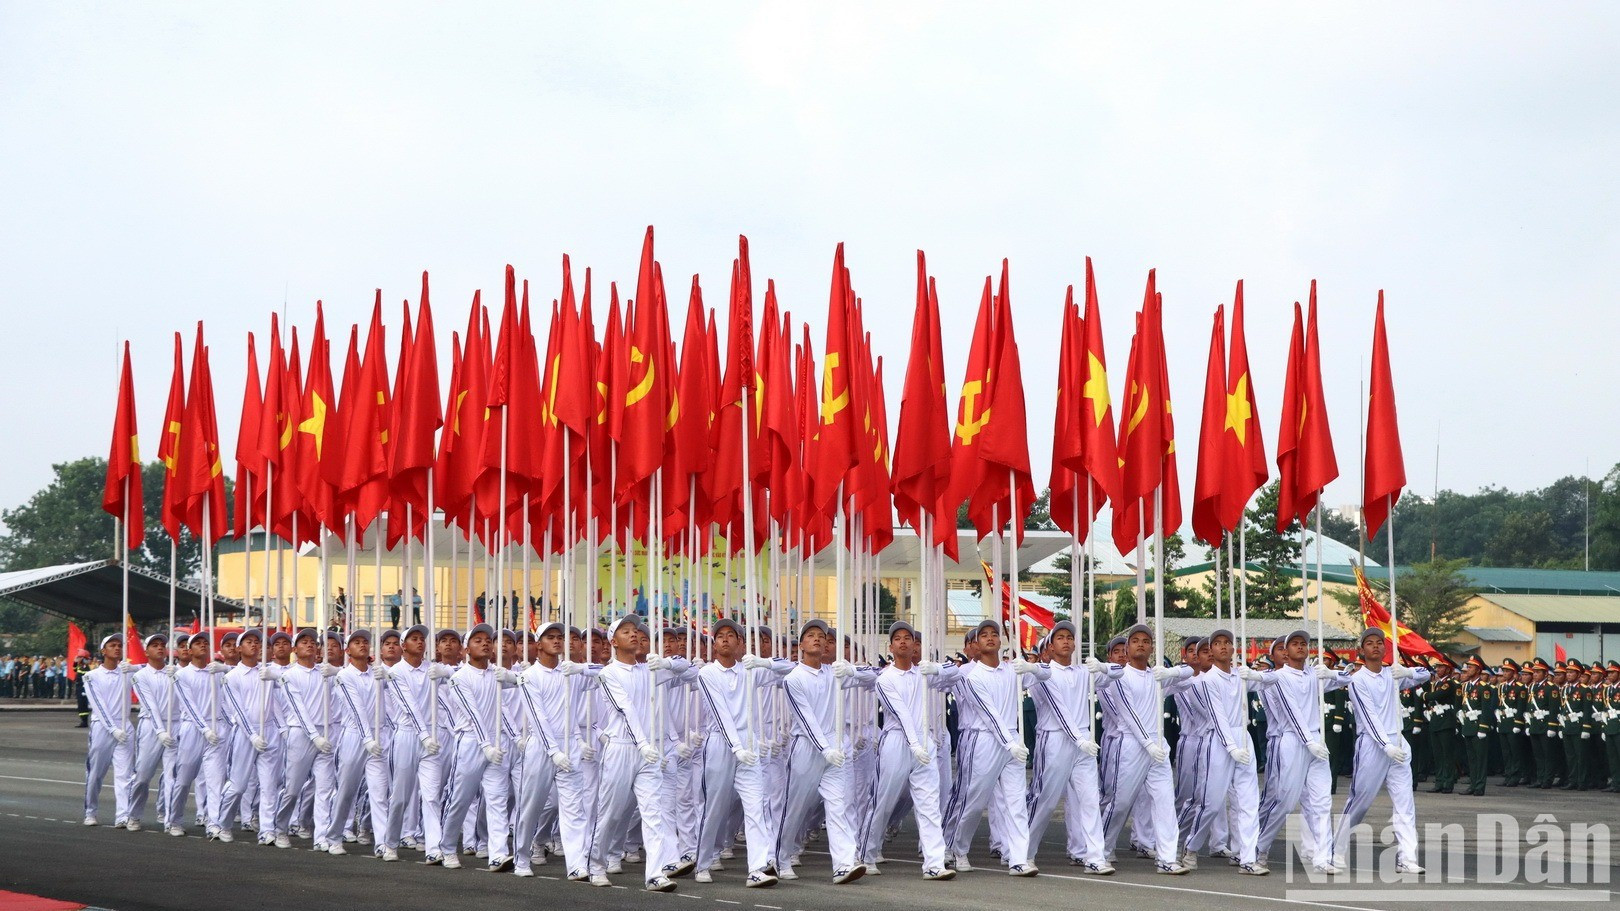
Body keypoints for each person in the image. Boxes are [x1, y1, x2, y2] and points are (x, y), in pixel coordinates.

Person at [946, 619, 1046, 877]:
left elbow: (1046, 674)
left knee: (1015, 801)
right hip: (985, 739)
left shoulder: (1012, 671)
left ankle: (1018, 857)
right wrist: (1011, 743)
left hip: (1011, 740)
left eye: (994, 634)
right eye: (984, 635)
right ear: (977, 644)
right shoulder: (973, 676)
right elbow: (990, 715)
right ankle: (957, 848)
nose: (990, 638)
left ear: (1001, 642)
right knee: (974, 799)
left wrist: (1032, 668)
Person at [777, 618, 873, 884]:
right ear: (801, 645)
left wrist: (852, 672)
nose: (818, 639)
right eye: (811, 635)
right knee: (796, 807)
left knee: (839, 805)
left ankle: (843, 864)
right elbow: (806, 719)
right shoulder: (794, 678)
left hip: (835, 748)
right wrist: (824, 748)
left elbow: (875, 676)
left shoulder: (835, 673)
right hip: (807, 746)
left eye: (822, 635)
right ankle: (781, 857)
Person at [693, 618, 785, 886]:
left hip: (749, 744)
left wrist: (764, 662)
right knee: (715, 808)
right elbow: (720, 714)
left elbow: (790, 669)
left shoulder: (749, 670)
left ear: (739, 643)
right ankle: (702, 862)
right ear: (714, 644)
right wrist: (736, 747)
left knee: (756, 807)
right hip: (722, 744)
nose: (724, 639)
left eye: (731, 635)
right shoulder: (707, 674)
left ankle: (756, 868)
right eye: (719, 635)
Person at [1329, 628, 1430, 874]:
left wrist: (1406, 671)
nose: (1376, 646)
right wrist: (1386, 746)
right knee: (1360, 801)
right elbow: (1369, 717)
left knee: (1405, 803)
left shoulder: (1392, 674)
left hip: (1398, 742)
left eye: (1379, 643)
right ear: (1361, 650)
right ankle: (1336, 851)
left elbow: (1426, 673)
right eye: (1369, 643)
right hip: (1373, 745)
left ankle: (1406, 857)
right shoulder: (1357, 679)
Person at [1024, 620, 1121, 875]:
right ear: (1051, 645)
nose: (1066, 641)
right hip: (1055, 739)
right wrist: (1079, 738)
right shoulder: (1043, 673)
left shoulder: (1082, 672)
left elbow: (1120, 671)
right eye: (1060, 637)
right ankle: (1024, 852)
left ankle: (1095, 857)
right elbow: (1059, 711)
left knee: (1089, 800)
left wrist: (1101, 666)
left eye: (1070, 637)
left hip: (1084, 745)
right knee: (1044, 799)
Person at [1252, 629, 1347, 873]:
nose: (1299, 647)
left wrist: (1333, 673)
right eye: (1294, 644)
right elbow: (1292, 712)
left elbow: (1349, 679)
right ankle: (1259, 848)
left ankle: (1322, 857)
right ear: (1285, 651)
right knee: (1285, 800)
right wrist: (1309, 741)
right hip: (1292, 740)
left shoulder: (1312, 675)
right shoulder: (1280, 677)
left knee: (1321, 801)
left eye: (1303, 644)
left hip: (1316, 740)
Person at [1098, 624, 1190, 875]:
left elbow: (1190, 673)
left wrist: (1170, 671)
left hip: (1157, 746)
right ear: (1127, 648)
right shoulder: (1119, 675)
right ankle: (1100, 852)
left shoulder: (1156, 677)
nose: (1141, 644)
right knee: (1120, 802)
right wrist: (1147, 743)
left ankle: (1167, 858)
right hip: (1131, 744)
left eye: (1146, 640)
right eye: (1135, 640)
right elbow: (1128, 713)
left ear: (1151, 647)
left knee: (1164, 802)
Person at [1179, 629, 1268, 876]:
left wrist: (1258, 675)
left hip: (1243, 737)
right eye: (1216, 643)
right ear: (1211, 650)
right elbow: (1218, 718)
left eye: (1227, 643)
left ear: (1232, 650)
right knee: (1211, 802)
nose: (1221, 647)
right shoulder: (1208, 680)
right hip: (1219, 743)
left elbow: (1273, 679)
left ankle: (1248, 858)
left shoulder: (1240, 675)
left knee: (1248, 801)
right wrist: (1231, 747)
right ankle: (1191, 846)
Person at [438, 624, 519, 870]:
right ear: (466, 648)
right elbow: (473, 714)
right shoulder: (460, 678)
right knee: (460, 799)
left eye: (488, 640)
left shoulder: (496, 673)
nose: (485, 643)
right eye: (478, 640)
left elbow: (518, 687)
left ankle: (497, 853)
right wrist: (485, 745)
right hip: (471, 741)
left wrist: (518, 675)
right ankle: (448, 847)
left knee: (497, 798)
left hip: (495, 742)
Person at [81, 634, 139, 827]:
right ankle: (90, 811)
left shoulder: (127, 672)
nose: (117, 648)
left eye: (120, 645)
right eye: (112, 645)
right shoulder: (91, 676)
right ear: (103, 651)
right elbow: (98, 705)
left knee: (125, 774)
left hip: (125, 726)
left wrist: (133, 668)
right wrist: (112, 729)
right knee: (96, 773)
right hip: (103, 728)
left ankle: (122, 815)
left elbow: (152, 669)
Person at [127, 633, 177, 831]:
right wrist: (160, 730)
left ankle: (170, 818)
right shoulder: (140, 676)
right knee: (143, 776)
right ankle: (133, 814)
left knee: (173, 776)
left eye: (162, 645)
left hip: (174, 725)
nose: (159, 648)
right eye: (154, 645)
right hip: (150, 726)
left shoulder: (174, 673)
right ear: (146, 651)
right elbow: (150, 704)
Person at [1456, 655, 1496, 796]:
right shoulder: (1466, 686)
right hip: (1468, 726)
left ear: (1478, 670)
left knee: (1480, 759)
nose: (1468, 669)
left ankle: (1479, 786)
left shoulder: (1484, 687)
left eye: (1471, 667)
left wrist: (1483, 727)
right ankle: (1473, 784)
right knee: (1471, 759)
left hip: (1478, 726)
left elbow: (1487, 709)